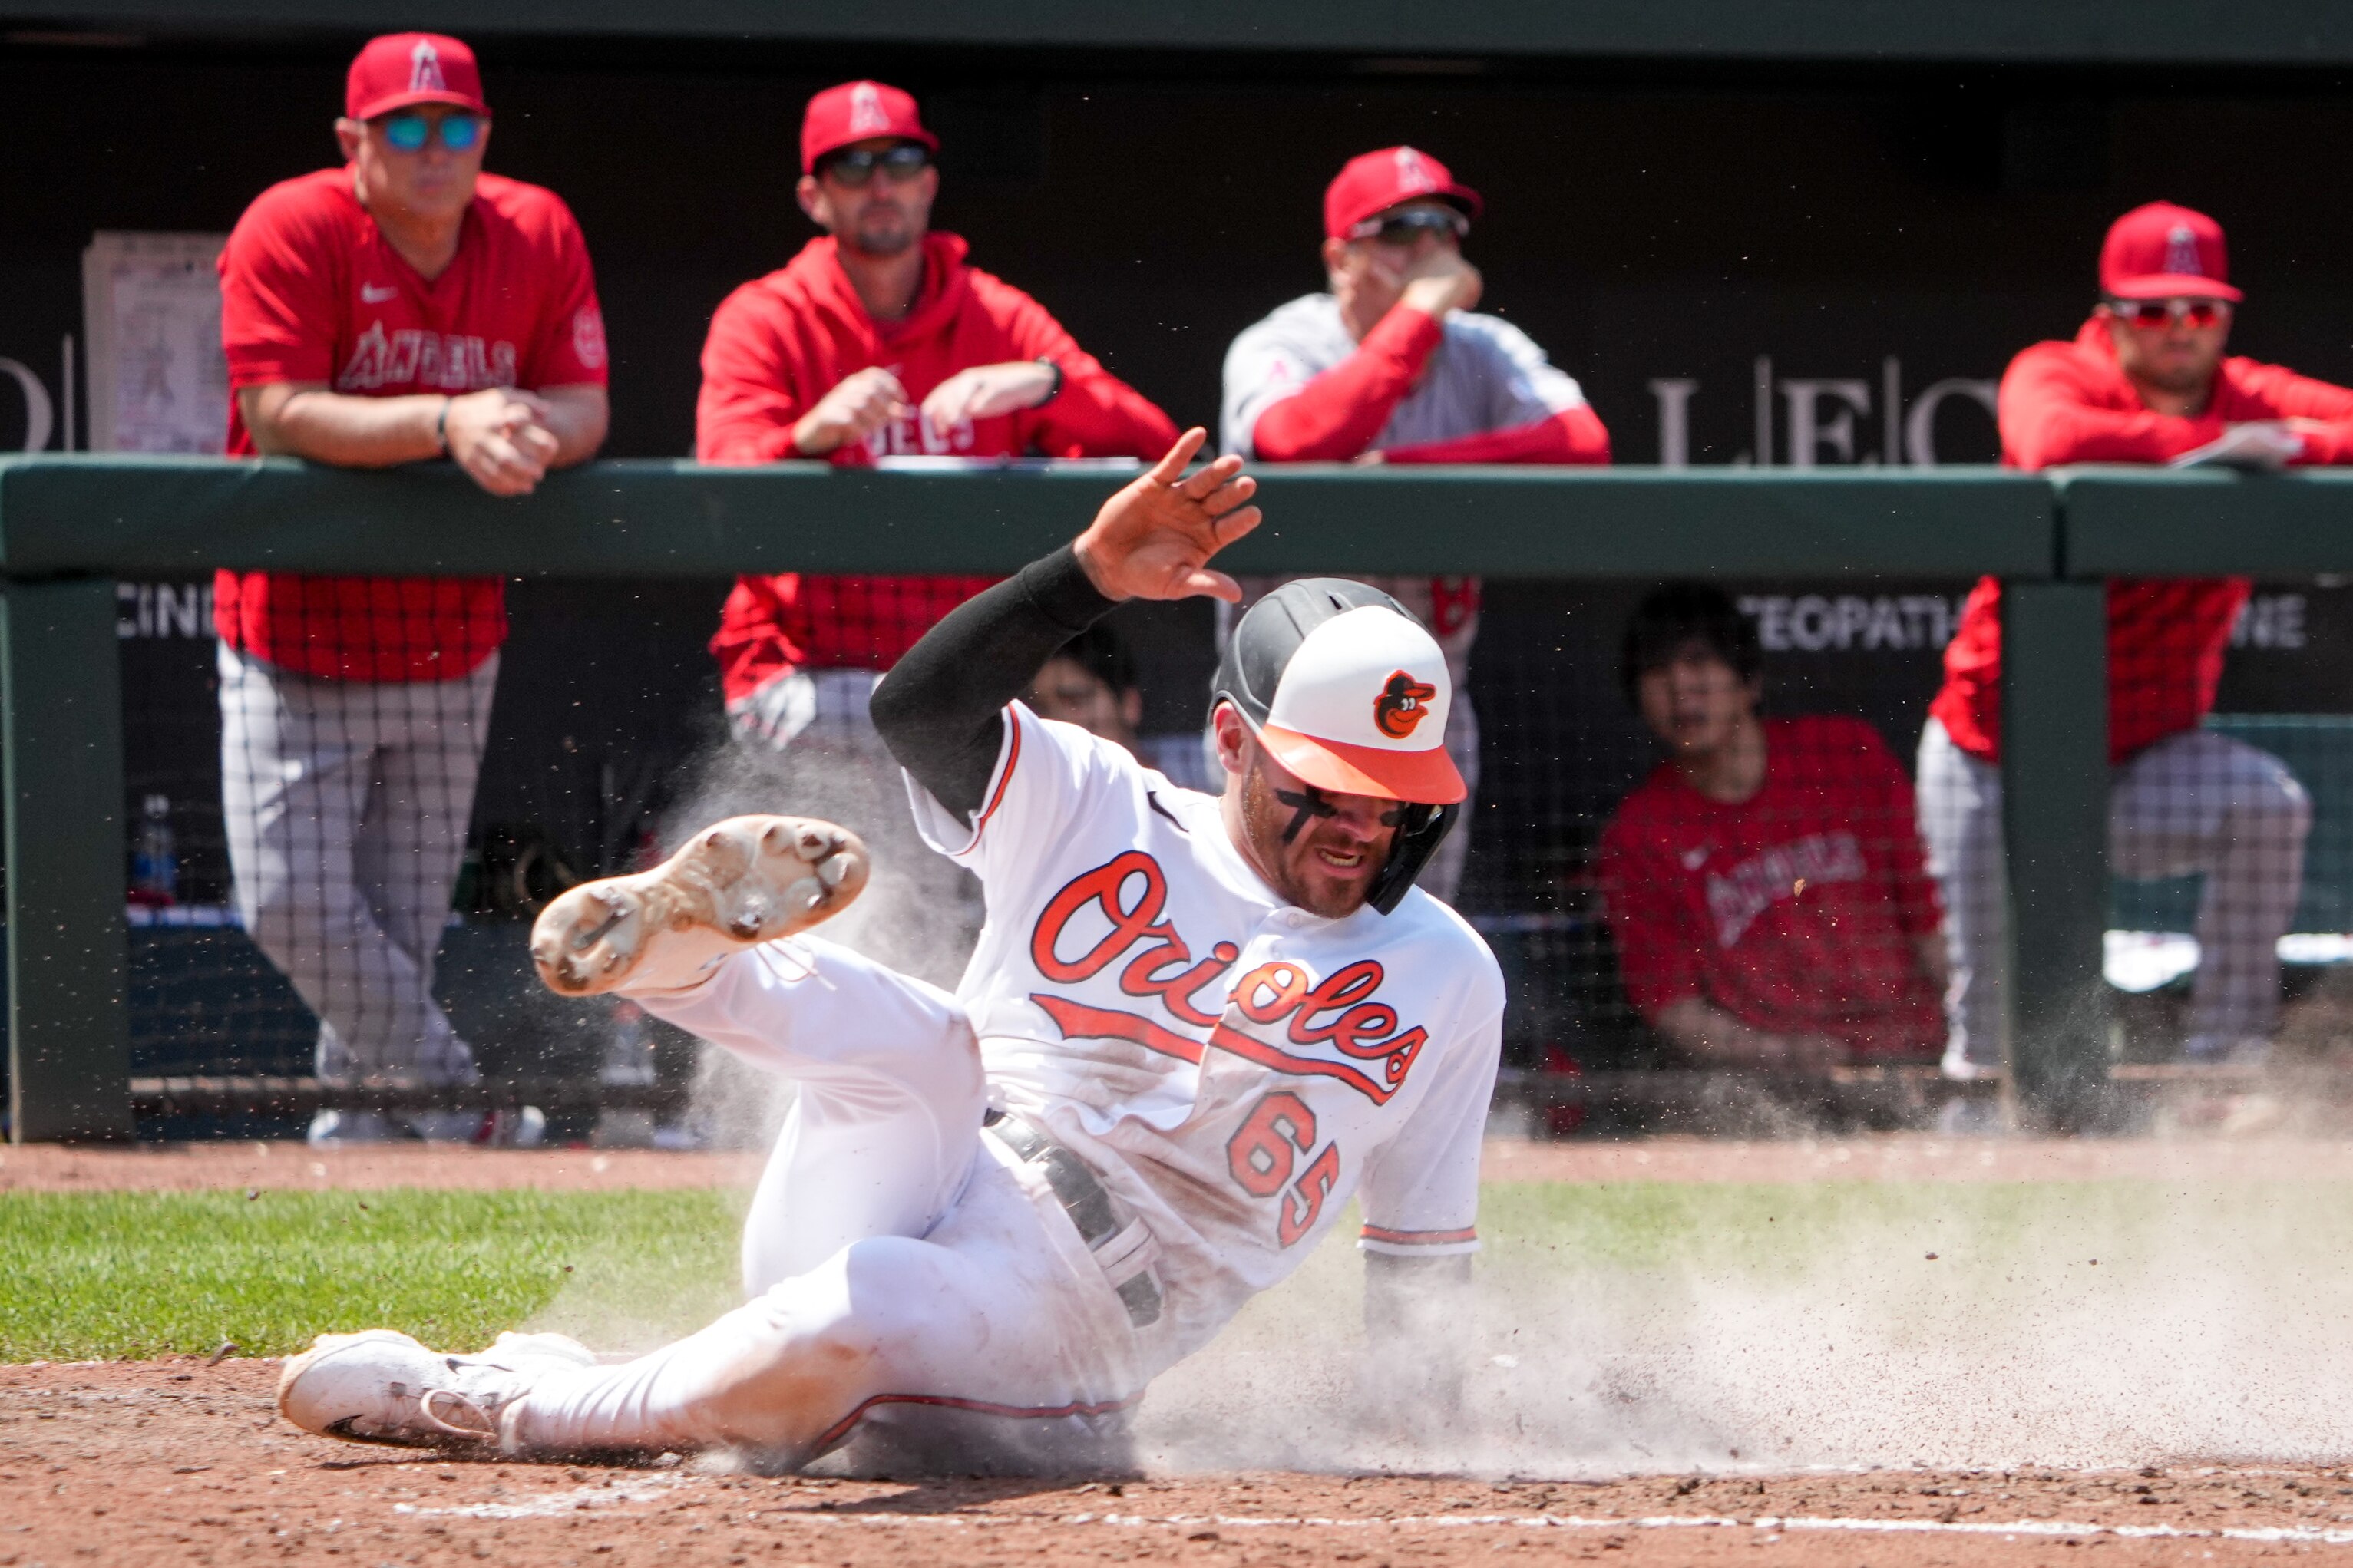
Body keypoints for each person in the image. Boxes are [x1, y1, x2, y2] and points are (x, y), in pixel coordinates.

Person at [275, 431, 1503, 1470]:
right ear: (1232, 740)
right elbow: (917, 713)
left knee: (867, 1307)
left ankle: (506, 1400)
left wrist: (1425, 1425)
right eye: (1327, 788)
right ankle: (685, 960)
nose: (1363, 825)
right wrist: (1082, 574)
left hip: (1073, 1326)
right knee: (932, 1042)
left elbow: (1421, 1262)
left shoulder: (1445, 973)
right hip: (923, 1171)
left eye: (1393, 798)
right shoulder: (1098, 795)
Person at [691, 79, 1178, 977]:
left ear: (929, 182)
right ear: (815, 194)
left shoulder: (995, 314)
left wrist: (1046, 384)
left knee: (972, 878)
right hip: (803, 673)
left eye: (902, 162)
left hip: (955, 679)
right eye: (854, 166)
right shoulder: (767, 316)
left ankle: (918, 1046)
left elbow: (1158, 450)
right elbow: (719, 487)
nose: (881, 182)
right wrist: (807, 436)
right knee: (898, 876)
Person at [214, 32, 609, 1142]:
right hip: (293, 631)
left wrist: (529, 428)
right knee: (292, 904)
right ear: (355, 141)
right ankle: (469, 1107)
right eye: (406, 127)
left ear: (482, 135)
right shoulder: (293, 224)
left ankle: (358, 1149)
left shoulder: (534, 228)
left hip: (448, 635)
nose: (434, 149)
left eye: (454, 127)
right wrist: (448, 418)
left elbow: (586, 405)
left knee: (393, 929)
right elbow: (279, 408)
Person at [1920, 201, 2349, 1076]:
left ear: (2225, 318)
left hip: (2142, 766)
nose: (2178, 331)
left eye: (2199, 311)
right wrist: (2223, 445)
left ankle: (2221, 1067)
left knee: (2267, 805)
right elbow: (2049, 437)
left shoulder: (2250, 393)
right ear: (2112, 316)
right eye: (2152, 311)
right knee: (1990, 1030)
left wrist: (2272, 437)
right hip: (1993, 755)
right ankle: (1978, 1149)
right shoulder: (2057, 370)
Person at [1220, 145, 1610, 903]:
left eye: (1444, 227)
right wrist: (1419, 313)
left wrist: (1404, 462)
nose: (1429, 248)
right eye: (1399, 230)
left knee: (1407, 932)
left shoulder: (1483, 347)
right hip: (1281, 711)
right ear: (1341, 257)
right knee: (1263, 923)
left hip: (1421, 709)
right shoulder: (1281, 343)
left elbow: (1581, 444)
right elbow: (1289, 441)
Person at [1598, 584, 1947, 1072]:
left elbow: (1929, 914)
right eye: (1657, 672)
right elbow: (1671, 1003)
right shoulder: (1639, 833)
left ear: (1749, 683)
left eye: (1699, 664)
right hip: (1779, 1083)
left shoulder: (1844, 753)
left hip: (1917, 1052)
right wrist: (1781, 1057)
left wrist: (1972, 1040)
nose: (1681, 688)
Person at [1025, 624, 1145, 759]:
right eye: (1041, 708)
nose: (1056, 718)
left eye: (1075, 701)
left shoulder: (1170, 777)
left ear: (1130, 703)